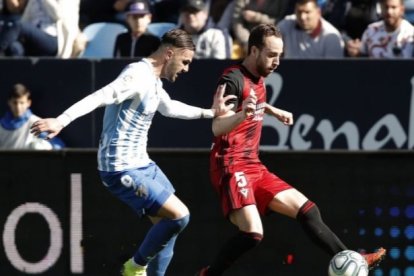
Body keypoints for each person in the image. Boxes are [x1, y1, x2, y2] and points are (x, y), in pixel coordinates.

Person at [30, 28, 235, 276]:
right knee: (180, 216)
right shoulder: (137, 75)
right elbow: (100, 96)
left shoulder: (154, 81)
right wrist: (61, 121)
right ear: (169, 54)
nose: (186, 69)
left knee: (169, 228)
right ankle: (134, 267)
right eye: (185, 61)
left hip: (142, 165)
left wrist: (211, 112)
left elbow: (169, 108)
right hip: (120, 168)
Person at [196, 23, 386, 276]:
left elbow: (252, 101)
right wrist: (243, 114)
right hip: (230, 165)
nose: (277, 61)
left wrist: (271, 110)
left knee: (308, 209)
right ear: (253, 50)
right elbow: (217, 126)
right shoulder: (231, 80)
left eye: (280, 55)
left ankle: (351, 258)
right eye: (272, 54)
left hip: (253, 165)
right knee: (253, 233)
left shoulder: (258, 77)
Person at [0, 0, 81, 58]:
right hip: (35, 36)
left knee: (19, 25)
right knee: (14, 47)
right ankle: (16, 80)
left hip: (54, 39)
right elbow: (26, 18)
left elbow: (58, 14)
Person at [0, 83, 63, 149]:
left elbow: (56, 146)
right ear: (9, 102)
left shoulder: (37, 123)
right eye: (15, 102)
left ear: (28, 103)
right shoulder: (1, 125)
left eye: (22, 102)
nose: (18, 107)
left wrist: (48, 147)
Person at [346, 0, 414, 58]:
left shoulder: (411, 34)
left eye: (393, 7)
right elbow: (361, 55)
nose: (389, 12)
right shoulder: (371, 30)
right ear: (381, 8)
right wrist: (355, 51)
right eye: (386, 7)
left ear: (402, 9)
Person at [277, 0, 345, 58]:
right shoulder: (286, 24)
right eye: (299, 12)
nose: (302, 17)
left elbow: (333, 69)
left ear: (318, 12)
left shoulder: (332, 37)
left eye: (307, 12)